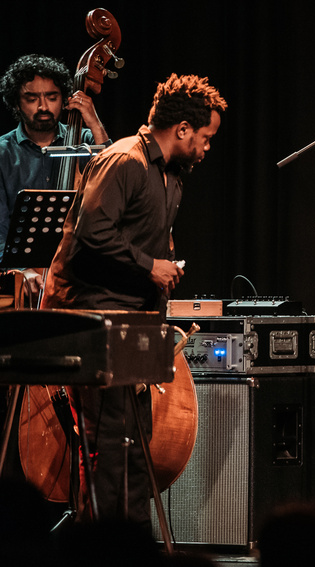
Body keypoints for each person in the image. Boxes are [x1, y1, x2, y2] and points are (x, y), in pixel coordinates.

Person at [41, 73, 227, 528]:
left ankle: (130, 542)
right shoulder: (123, 160)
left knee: (136, 444)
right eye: (205, 137)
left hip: (132, 320)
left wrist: (162, 271)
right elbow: (92, 232)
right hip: (93, 318)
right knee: (108, 443)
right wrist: (150, 266)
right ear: (182, 129)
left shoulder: (172, 176)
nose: (207, 147)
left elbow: (140, 240)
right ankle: (103, 549)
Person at [0, 54, 110, 294]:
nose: (43, 107)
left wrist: (94, 122)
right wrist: (21, 270)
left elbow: (117, 181)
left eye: (52, 97)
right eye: (31, 98)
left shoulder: (85, 142)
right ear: (17, 103)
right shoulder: (3, 153)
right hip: (20, 282)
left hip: (81, 277)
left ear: (64, 100)